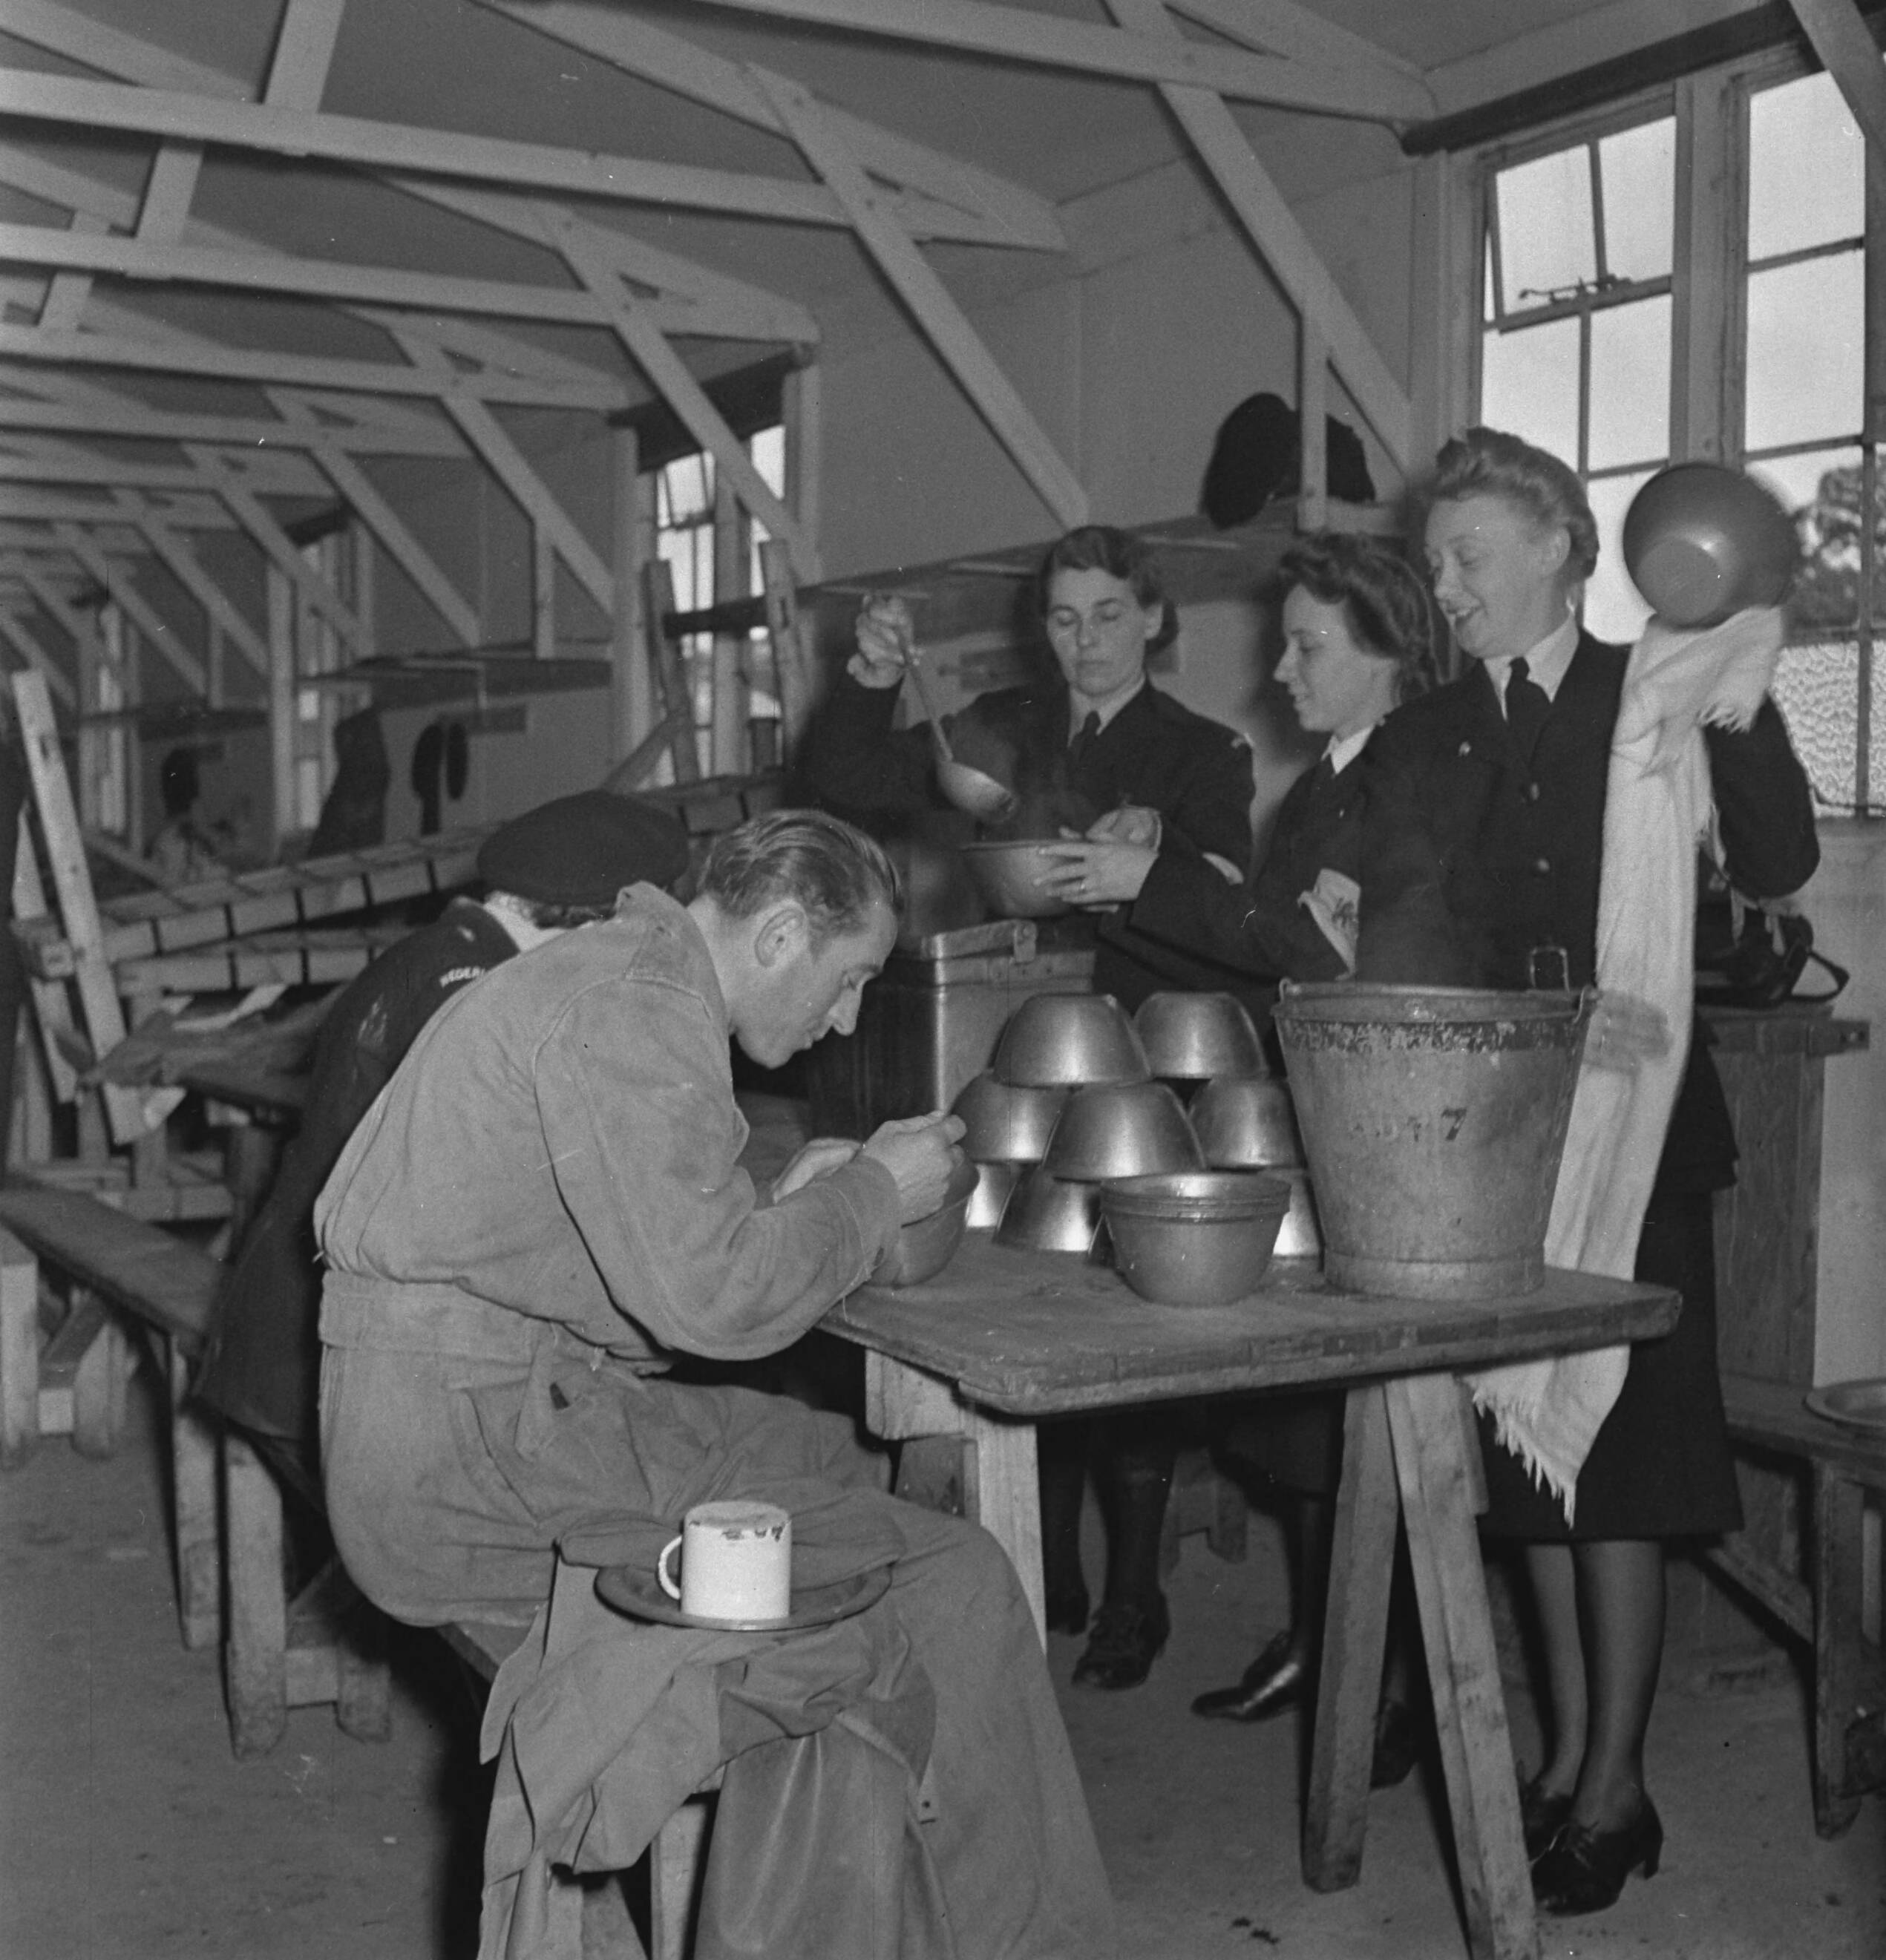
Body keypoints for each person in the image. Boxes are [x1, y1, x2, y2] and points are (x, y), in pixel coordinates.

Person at [314, 809, 1115, 1959]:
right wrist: (873, 1195)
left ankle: (924, 1888)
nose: (846, 1018)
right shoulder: (637, 1006)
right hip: (468, 1466)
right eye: (849, 980)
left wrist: (793, 1201)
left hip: (469, 1417)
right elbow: (717, 1305)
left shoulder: (618, 975)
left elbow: (630, 1258)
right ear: (780, 934)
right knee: (954, 1572)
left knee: (850, 1462)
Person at [1354, 427, 1818, 1915]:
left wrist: (1741, 688)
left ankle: (1616, 1784)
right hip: (1498, 1130)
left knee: (1621, 1467)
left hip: (1644, 1128)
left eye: (1467, 554)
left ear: (1560, 546)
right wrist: (1534, 1019)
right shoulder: (1429, 733)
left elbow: (1780, 860)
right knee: (1525, 1460)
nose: (1443, 584)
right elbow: (1404, 934)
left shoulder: (1655, 687)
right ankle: (1561, 1758)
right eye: (1433, 560)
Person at [802, 522, 1257, 1694]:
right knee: (1021, 1301)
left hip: (1143, 1061)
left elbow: (1227, 902)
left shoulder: (1204, 753)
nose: (1085, 640)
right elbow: (842, 778)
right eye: (1063, 617)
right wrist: (868, 674)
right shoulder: (1003, 725)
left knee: (1132, 1318)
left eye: (1108, 614)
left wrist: (1160, 851)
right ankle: (1047, 1572)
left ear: (1153, 619)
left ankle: (1135, 1593)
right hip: (1011, 1046)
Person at [1040, 533, 1435, 1780]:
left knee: (1374, 1423)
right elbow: (1262, 939)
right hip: (1317, 1110)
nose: (1282, 669)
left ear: (1387, 650)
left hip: (1392, 1123)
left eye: (1309, 645)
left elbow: (1313, 949)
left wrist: (1151, 878)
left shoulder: (1408, 777)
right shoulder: (1323, 781)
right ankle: (1323, 1641)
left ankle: (1389, 1683)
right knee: (1308, 1419)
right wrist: (1152, 886)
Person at [194, 789, 692, 1519]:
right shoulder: (472, 994)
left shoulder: (445, 958)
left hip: (294, 1333)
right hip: (321, 1358)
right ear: (592, 924)